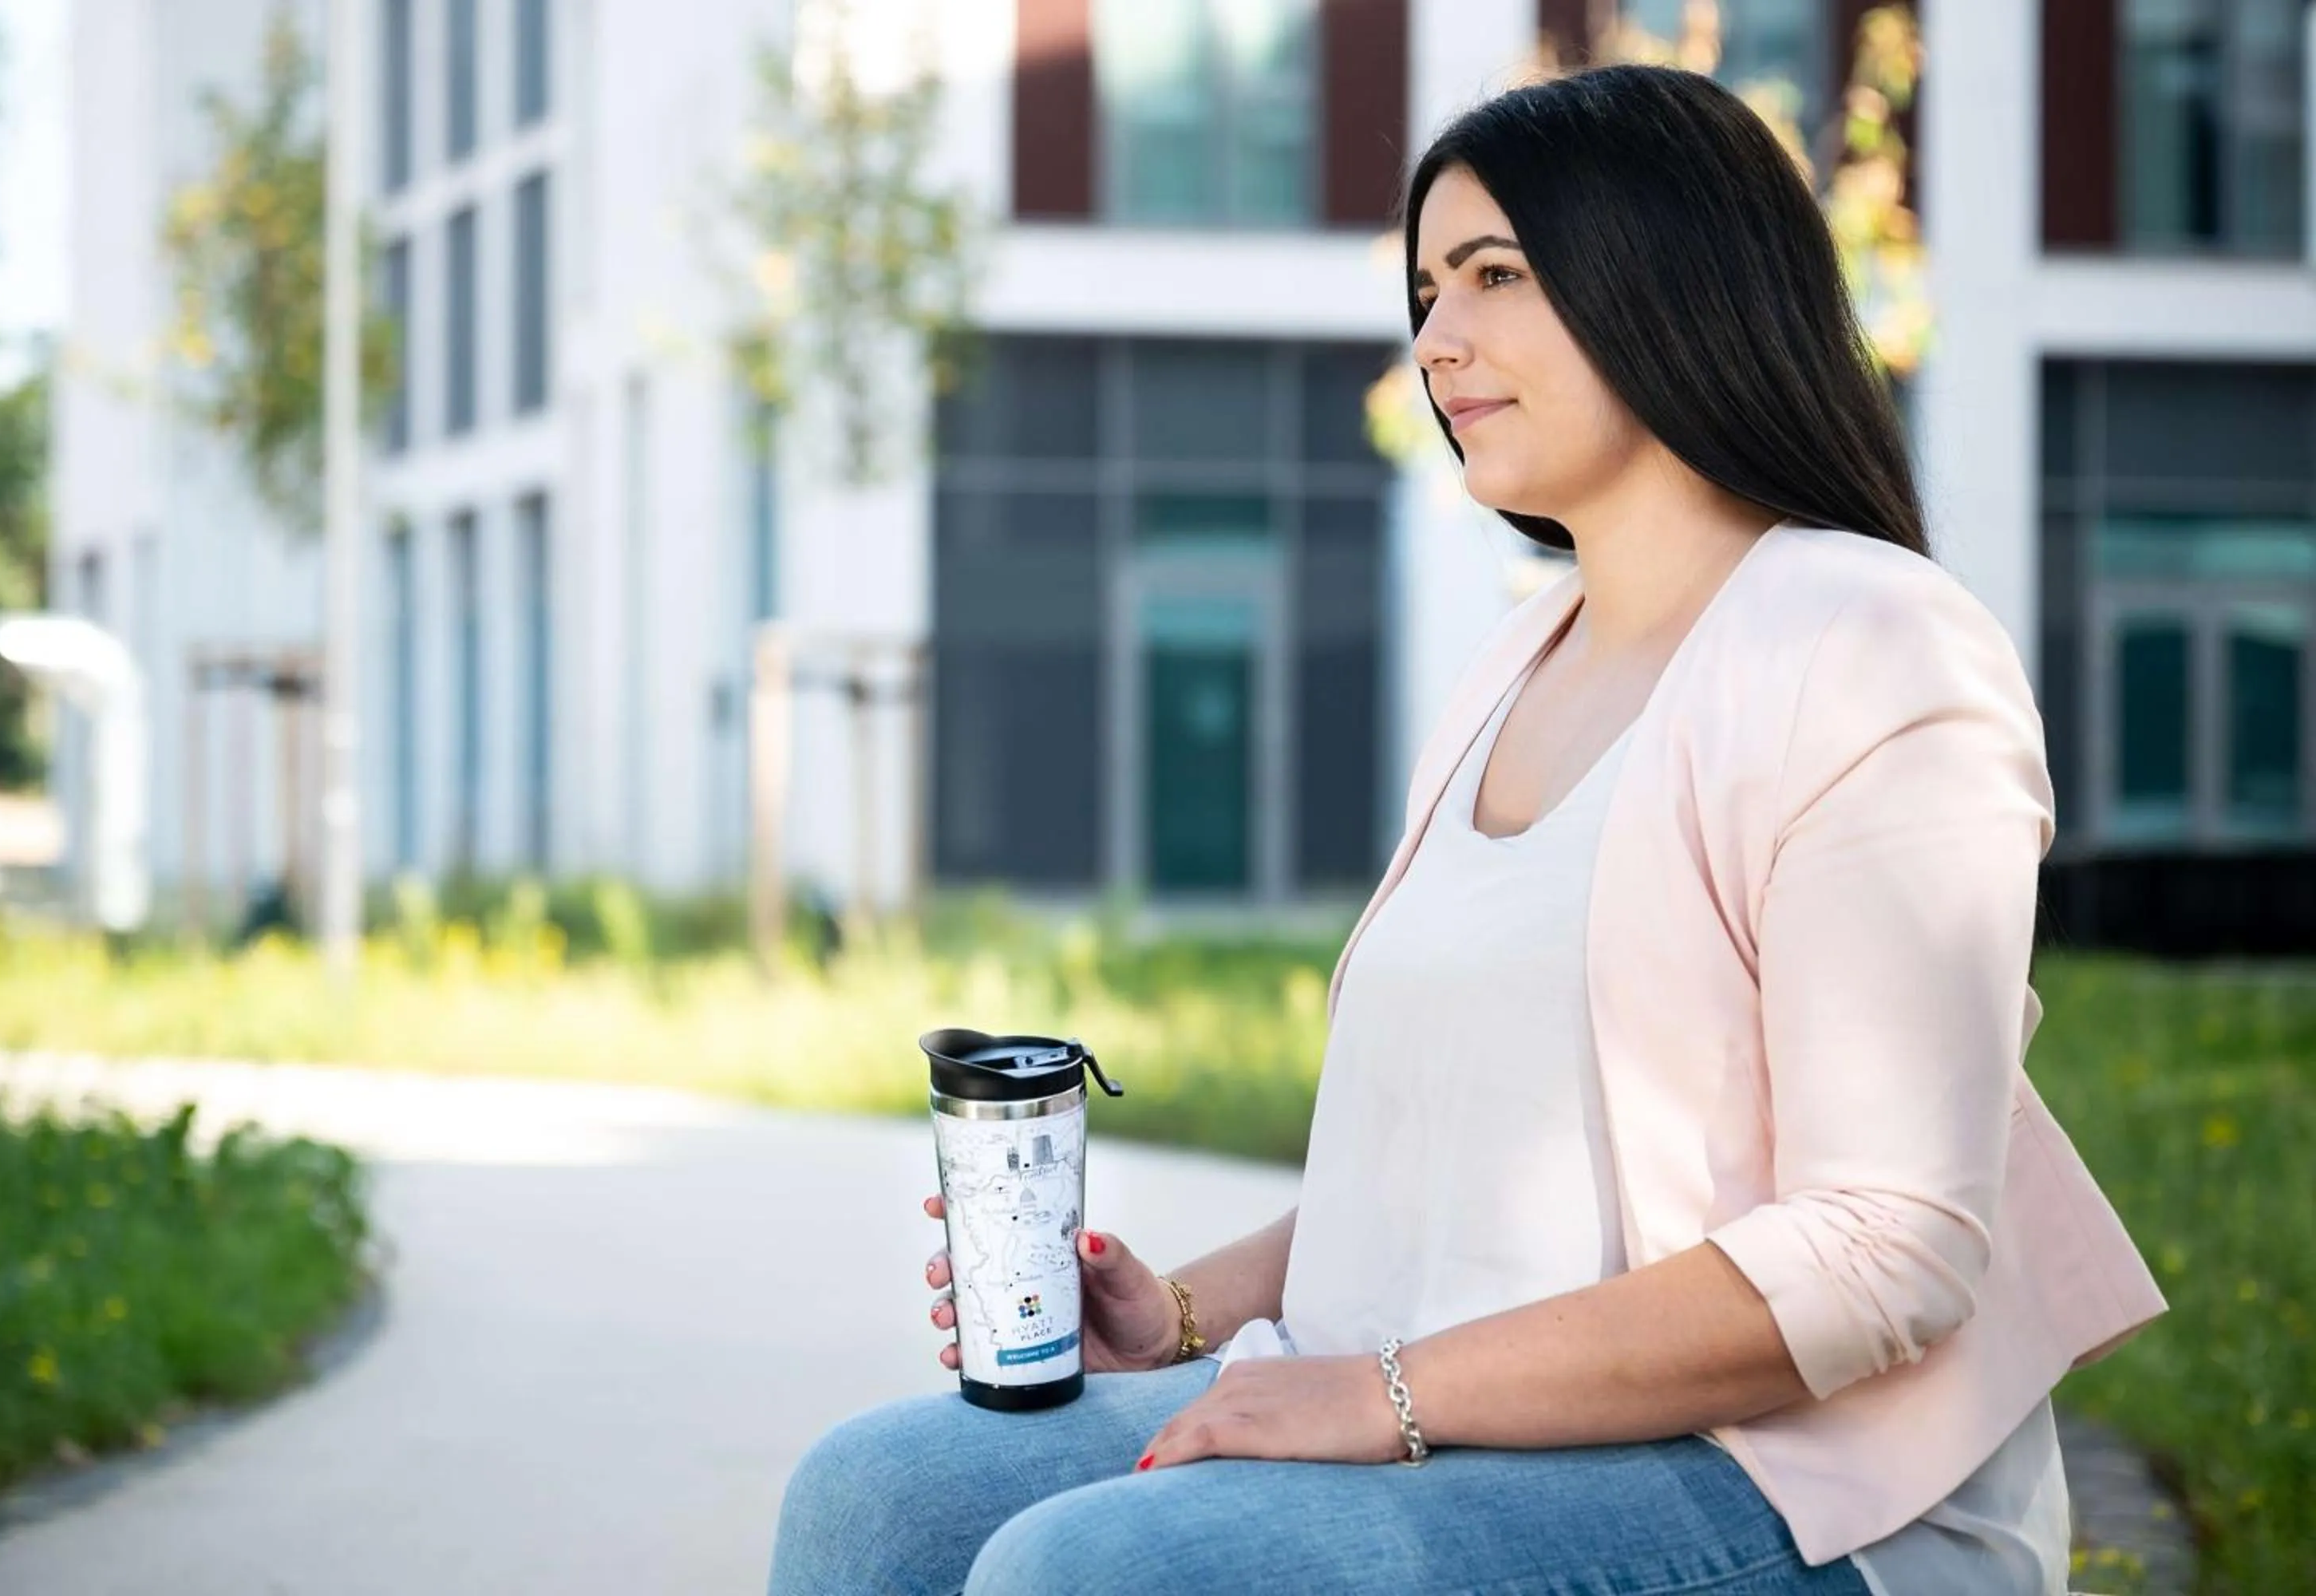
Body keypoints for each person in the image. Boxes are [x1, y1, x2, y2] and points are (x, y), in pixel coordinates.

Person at [768, 64, 2166, 1595]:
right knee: (880, 1498)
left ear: (1674, 282)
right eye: (1429, 289)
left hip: (1775, 1479)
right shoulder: (1521, 660)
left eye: (1494, 275)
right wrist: (1173, 1316)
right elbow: (1443, 1176)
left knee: (1097, 1574)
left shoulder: (1870, 645)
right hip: (1453, 1413)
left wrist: (1379, 1397)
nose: (1438, 343)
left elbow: (1885, 1250)